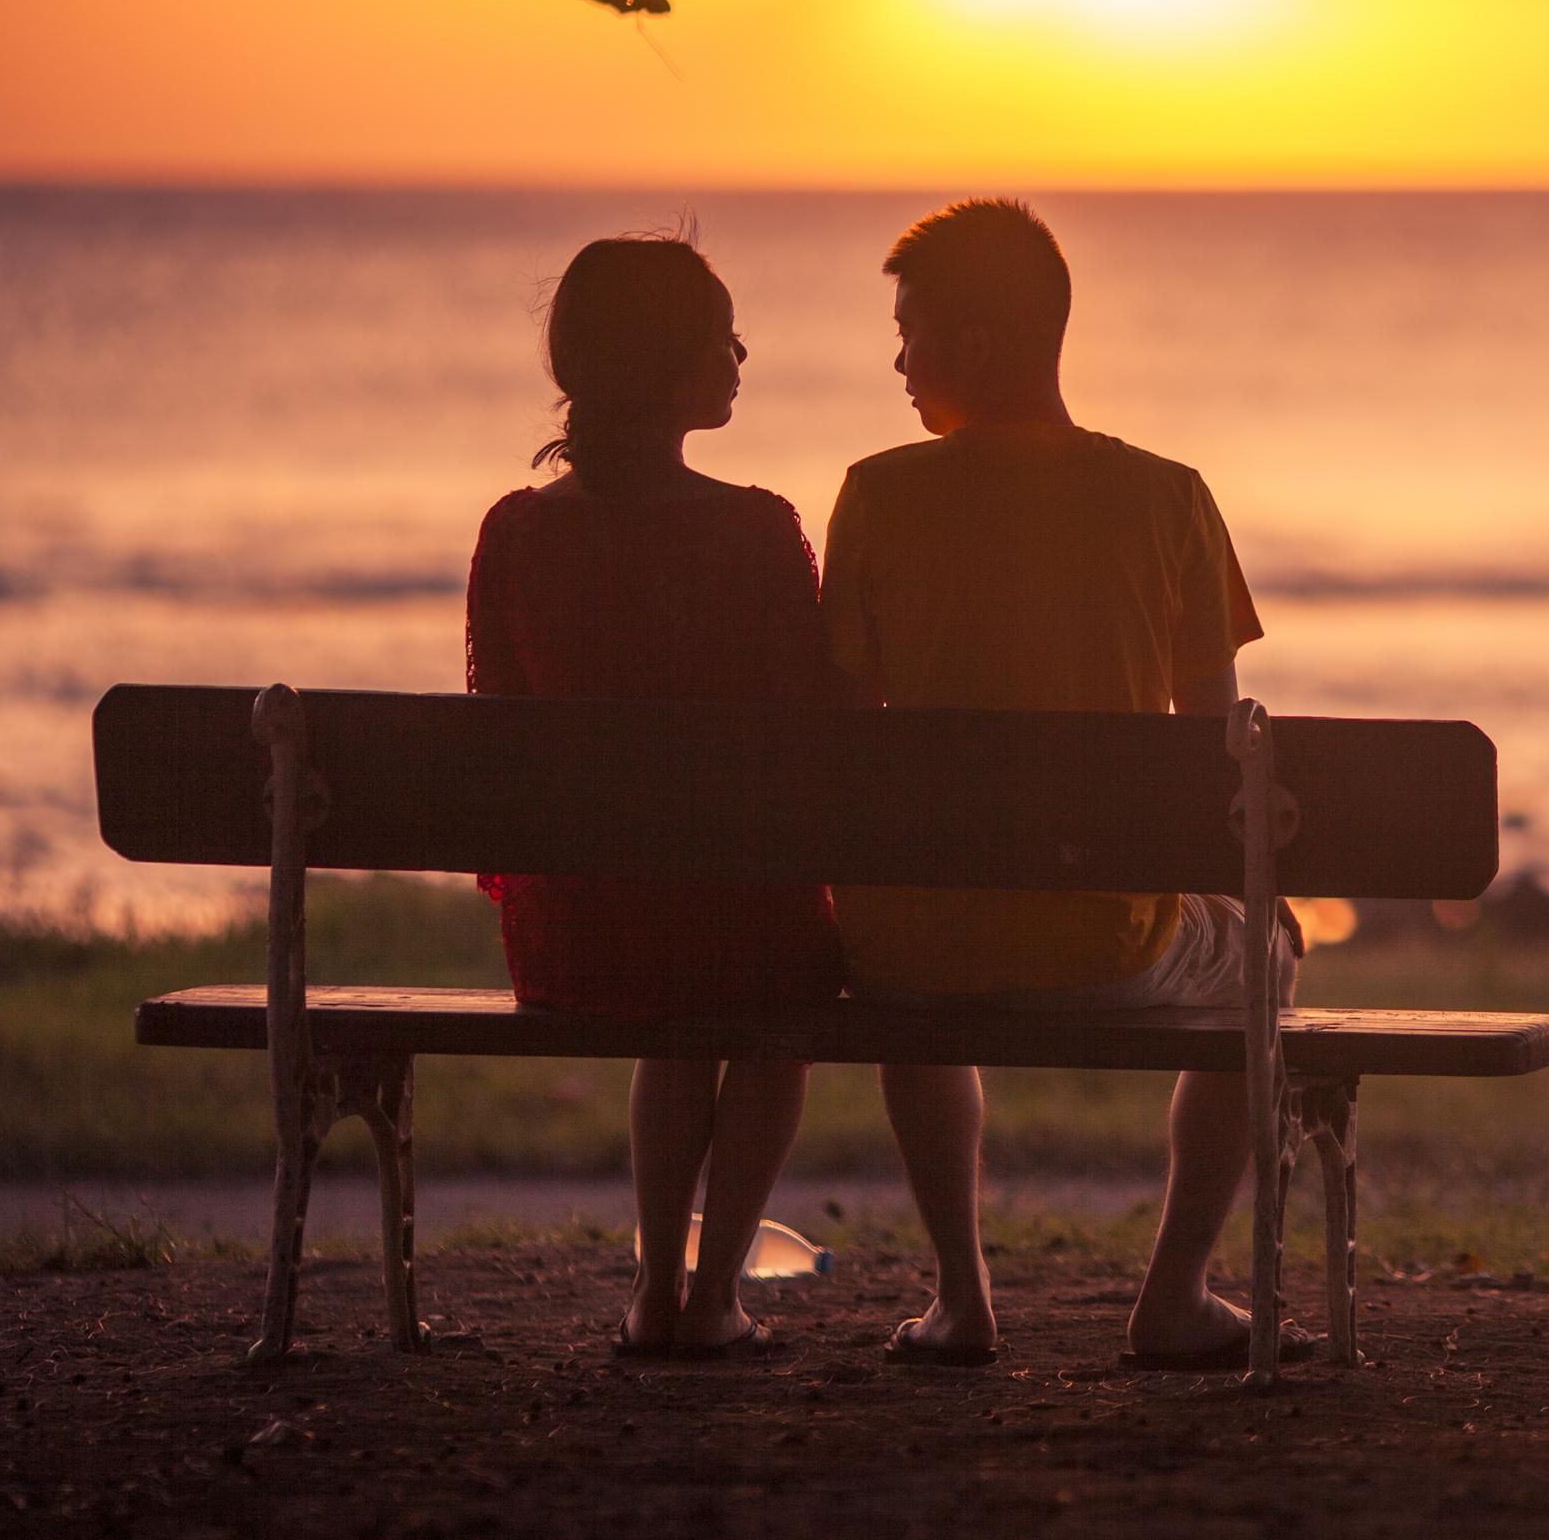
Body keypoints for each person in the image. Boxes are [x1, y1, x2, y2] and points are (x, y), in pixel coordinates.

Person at [822, 199, 1301, 1372]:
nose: (896, 357)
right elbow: (1214, 756)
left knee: (922, 953)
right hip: (1107, 948)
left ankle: (962, 1302)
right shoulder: (1170, 497)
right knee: (1271, 954)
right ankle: (1177, 1294)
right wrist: (1256, 898)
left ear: (977, 345)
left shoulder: (877, 496)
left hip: (910, 951)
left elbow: (836, 743)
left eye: (911, 329)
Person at [465, 235, 845, 1358]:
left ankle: (650, 1295)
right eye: (719, 340)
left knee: (670, 973)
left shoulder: (518, 533)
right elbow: (814, 737)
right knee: (774, 1016)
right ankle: (713, 1294)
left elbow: (500, 741)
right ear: (666, 366)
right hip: (736, 924)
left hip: (577, 933)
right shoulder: (755, 530)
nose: (738, 359)